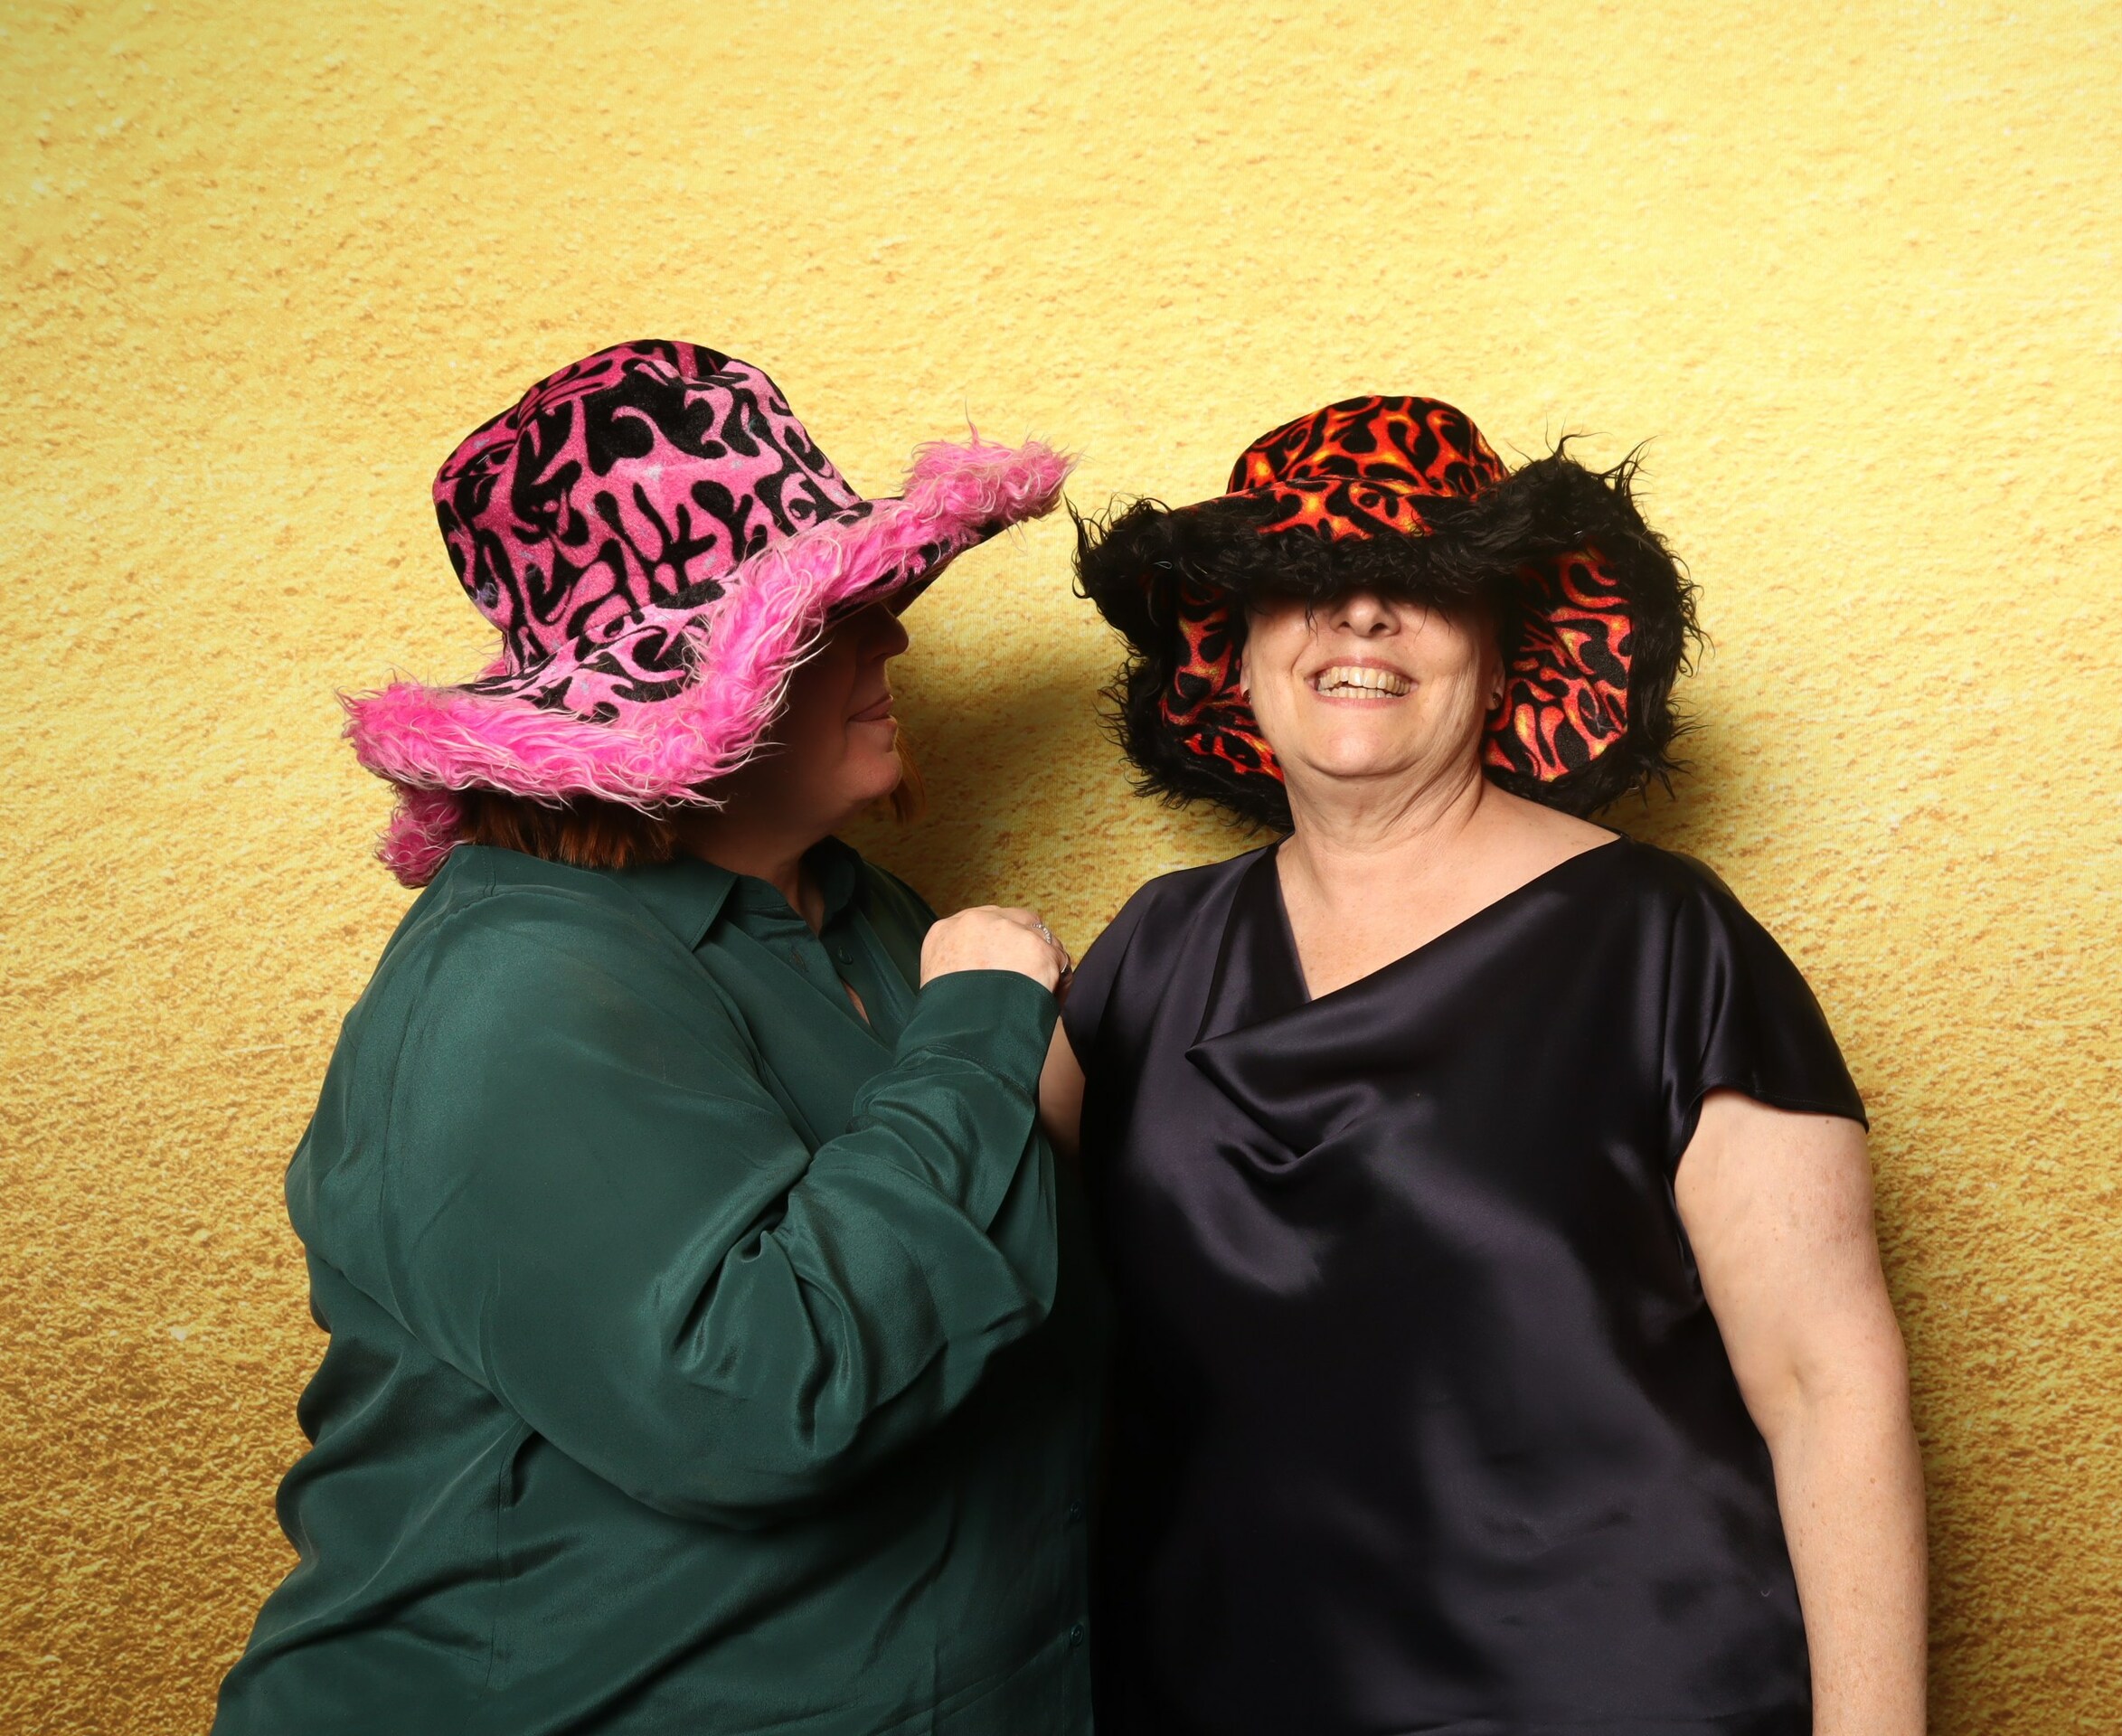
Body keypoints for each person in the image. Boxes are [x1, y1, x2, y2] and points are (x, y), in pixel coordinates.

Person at [214, 341, 1103, 1734]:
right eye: (833, 619)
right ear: (687, 687)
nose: (894, 641)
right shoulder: (516, 981)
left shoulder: (868, 916)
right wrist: (983, 1033)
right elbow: (762, 1403)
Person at [1046, 396, 1927, 1736]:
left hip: (1617, 1698)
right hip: (1208, 1697)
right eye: (1302, 580)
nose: (1359, 615)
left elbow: (1827, 1390)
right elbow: (964, 1281)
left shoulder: (1665, 941)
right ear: (1236, 648)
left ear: (1505, 649)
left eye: (1422, 580)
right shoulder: (1152, 949)